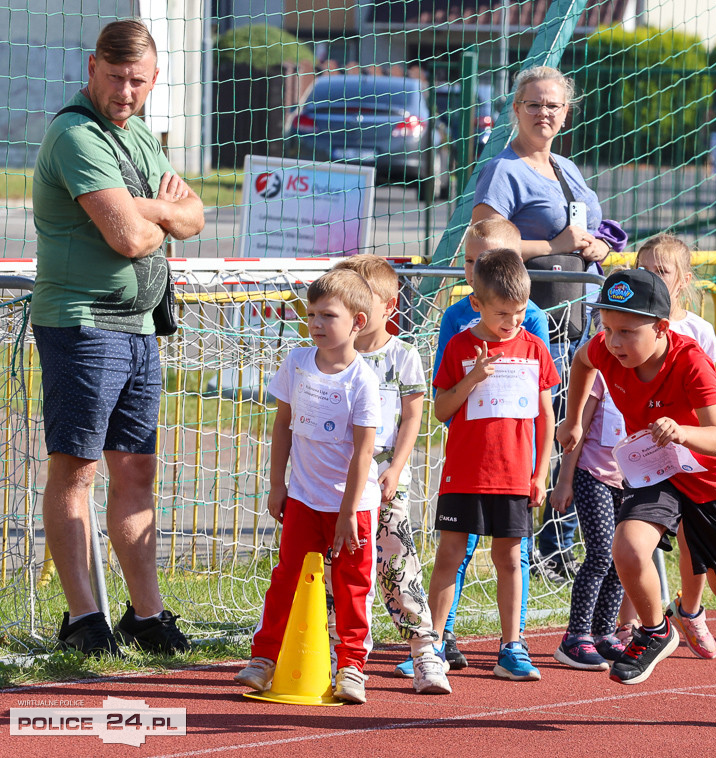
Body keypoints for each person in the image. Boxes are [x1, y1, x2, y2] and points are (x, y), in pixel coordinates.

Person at [557, 269, 716, 731]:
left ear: (662, 329)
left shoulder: (690, 363)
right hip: (656, 472)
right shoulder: (605, 353)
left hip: (709, 480)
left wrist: (681, 431)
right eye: (607, 328)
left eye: (627, 331)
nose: (614, 341)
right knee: (625, 548)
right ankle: (655, 630)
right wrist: (572, 420)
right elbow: (581, 363)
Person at [31, 18, 204, 656]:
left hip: (139, 327)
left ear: (154, 80)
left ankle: (146, 614)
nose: (124, 91)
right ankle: (83, 617)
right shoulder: (77, 134)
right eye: (113, 77)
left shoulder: (139, 138)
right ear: (91, 71)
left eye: (136, 80)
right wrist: (156, 213)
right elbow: (128, 238)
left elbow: (195, 213)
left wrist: (152, 209)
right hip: (82, 325)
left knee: (136, 472)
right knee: (76, 472)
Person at [471, 65, 621, 581]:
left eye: (554, 105)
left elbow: (589, 227)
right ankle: (527, 542)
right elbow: (484, 242)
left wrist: (599, 245)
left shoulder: (567, 167)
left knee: (579, 432)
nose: (544, 113)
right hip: (537, 326)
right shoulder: (504, 170)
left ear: (566, 112)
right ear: (516, 110)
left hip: (584, 323)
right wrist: (552, 248)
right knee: (545, 433)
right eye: (534, 104)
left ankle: (563, 545)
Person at [234, 269, 382, 705]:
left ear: (357, 321)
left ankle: (352, 666)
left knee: (353, 587)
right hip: (302, 498)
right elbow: (282, 425)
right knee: (286, 579)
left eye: (327, 315)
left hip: (351, 507)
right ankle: (264, 659)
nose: (316, 323)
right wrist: (276, 484)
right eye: (311, 314)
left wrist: (348, 512)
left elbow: (363, 453)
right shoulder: (297, 363)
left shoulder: (363, 381)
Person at [429, 249, 558, 682]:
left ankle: (512, 646)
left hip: (514, 474)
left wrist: (540, 473)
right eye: (503, 313)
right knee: (449, 554)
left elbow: (546, 416)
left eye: (520, 311)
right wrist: (473, 378)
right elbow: (441, 409)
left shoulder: (535, 349)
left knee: (509, 557)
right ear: (478, 305)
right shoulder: (460, 346)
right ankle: (430, 644)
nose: (513, 321)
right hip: (465, 473)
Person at [331, 255, 451, 695]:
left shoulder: (402, 357)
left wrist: (396, 468)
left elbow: (413, 418)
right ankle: (340, 656)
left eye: (363, 302)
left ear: (387, 306)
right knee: (338, 569)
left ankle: (425, 653)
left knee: (398, 563)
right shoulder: (330, 358)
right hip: (335, 488)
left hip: (384, 484)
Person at [635, 235, 716, 660]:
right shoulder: (627, 323)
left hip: (688, 451)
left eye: (661, 272)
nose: (652, 278)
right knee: (637, 535)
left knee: (692, 538)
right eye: (644, 270)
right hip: (646, 452)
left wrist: (692, 437)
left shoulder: (699, 331)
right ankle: (638, 624)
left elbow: (710, 399)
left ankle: (691, 609)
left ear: (683, 280)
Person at [549, 370, 626, 671]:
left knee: (623, 557)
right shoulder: (600, 377)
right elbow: (576, 432)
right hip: (592, 475)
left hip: (631, 480)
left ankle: (603, 632)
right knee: (600, 554)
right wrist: (564, 481)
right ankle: (576, 635)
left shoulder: (647, 377)